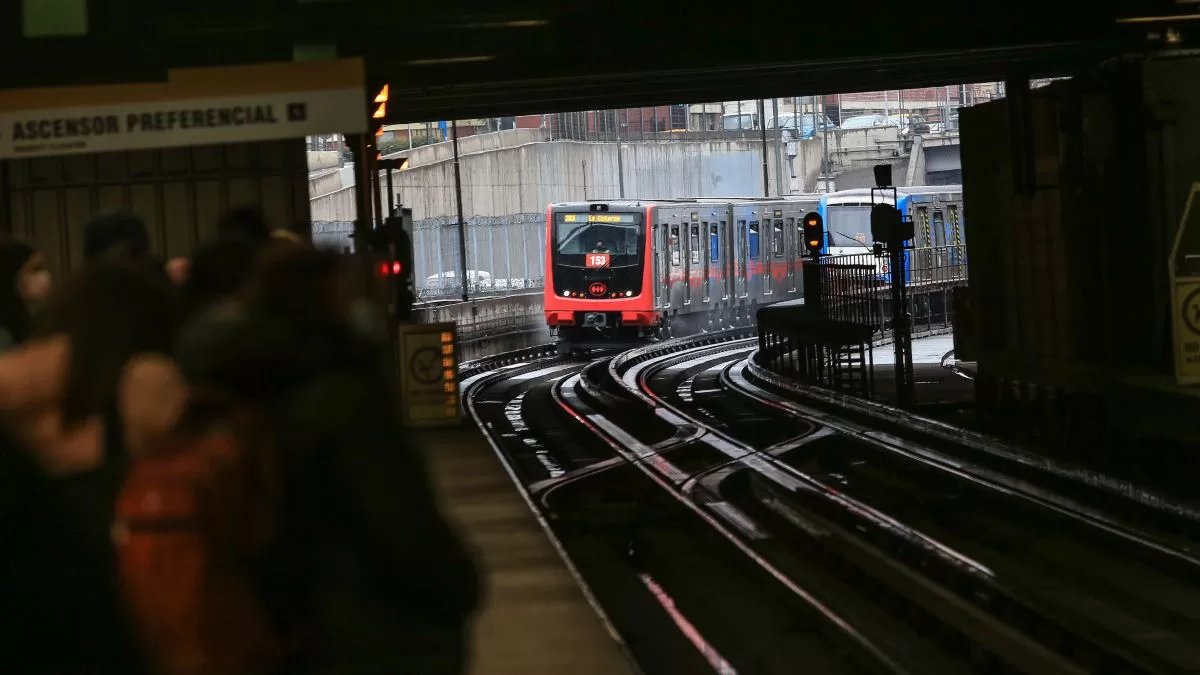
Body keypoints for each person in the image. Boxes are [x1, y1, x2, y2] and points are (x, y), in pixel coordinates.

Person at [176, 244, 480, 675]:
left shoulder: (227, 388)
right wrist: (460, 585)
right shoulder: (342, 401)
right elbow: (402, 526)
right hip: (364, 629)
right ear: (326, 304)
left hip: (271, 617)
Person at [0, 237, 52, 351]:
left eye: (45, 268)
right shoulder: (4, 336)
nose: (45, 277)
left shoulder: (29, 322)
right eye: (35, 269)